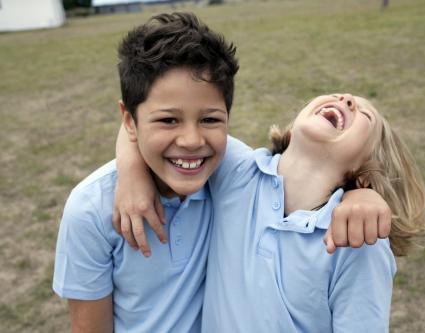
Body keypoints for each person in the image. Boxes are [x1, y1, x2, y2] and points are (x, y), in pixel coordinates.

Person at [53, 12, 391, 333]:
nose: (190, 140)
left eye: (210, 120)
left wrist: (365, 194)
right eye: (169, 120)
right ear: (130, 122)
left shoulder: (230, 172)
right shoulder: (92, 208)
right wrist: (130, 170)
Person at [117, 93, 425, 332]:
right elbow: (140, 119)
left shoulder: (358, 242)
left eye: (364, 115)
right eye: (338, 94)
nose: (346, 99)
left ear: (366, 171)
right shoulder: (238, 171)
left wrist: (366, 196)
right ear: (293, 129)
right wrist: (131, 173)